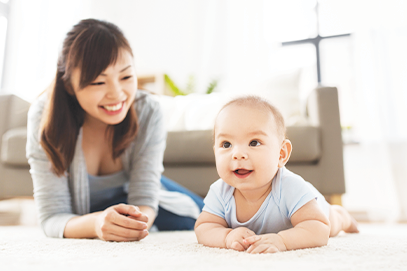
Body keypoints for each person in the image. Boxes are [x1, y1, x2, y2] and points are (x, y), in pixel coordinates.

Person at [26, 19, 203, 241]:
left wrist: (132, 224)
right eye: (99, 83)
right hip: (92, 216)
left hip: (151, 201)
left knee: (215, 221)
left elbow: (145, 199)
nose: (117, 94)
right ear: (69, 85)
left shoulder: (148, 110)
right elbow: (52, 218)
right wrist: (97, 224)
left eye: (126, 77)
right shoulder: (45, 117)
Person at [194, 96, 359, 254]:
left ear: (281, 154)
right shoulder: (220, 192)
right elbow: (204, 227)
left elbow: (319, 228)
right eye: (226, 144)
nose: (237, 154)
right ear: (215, 151)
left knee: (333, 222)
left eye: (254, 143)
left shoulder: (291, 187)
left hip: (314, 207)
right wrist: (226, 236)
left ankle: (342, 216)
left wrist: (282, 240)